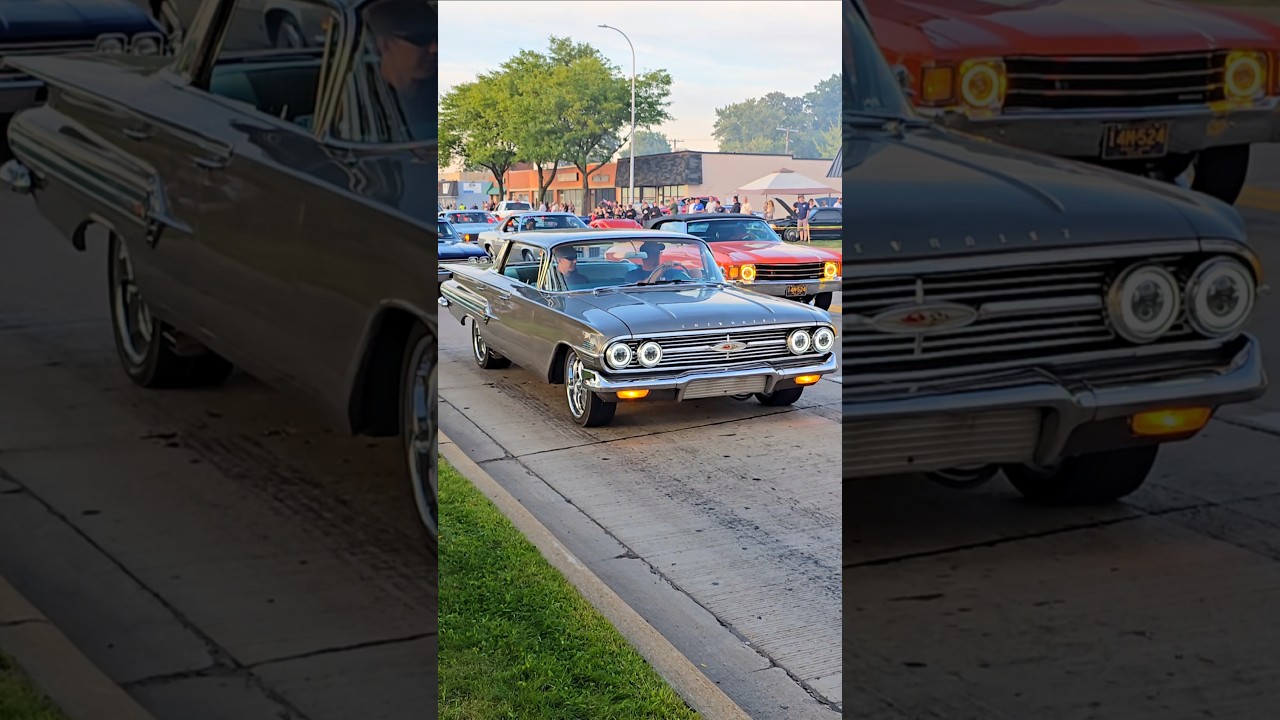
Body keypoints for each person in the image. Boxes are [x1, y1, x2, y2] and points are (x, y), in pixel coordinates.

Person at [365, 0, 436, 141]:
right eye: (420, 39)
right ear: (384, 45)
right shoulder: (364, 100)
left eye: (438, 38)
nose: (434, 49)